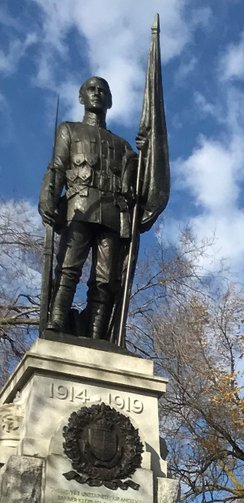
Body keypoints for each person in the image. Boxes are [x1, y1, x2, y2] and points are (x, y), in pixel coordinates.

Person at [38, 76, 137, 340]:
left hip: (114, 214)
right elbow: (57, 167)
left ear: (111, 101)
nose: (97, 94)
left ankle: (96, 334)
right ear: (82, 97)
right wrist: (47, 198)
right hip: (80, 205)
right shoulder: (69, 130)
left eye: (103, 90)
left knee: (106, 280)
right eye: (91, 90)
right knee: (69, 268)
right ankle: (58, 320)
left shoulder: (124, 146)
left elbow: (136, 189)